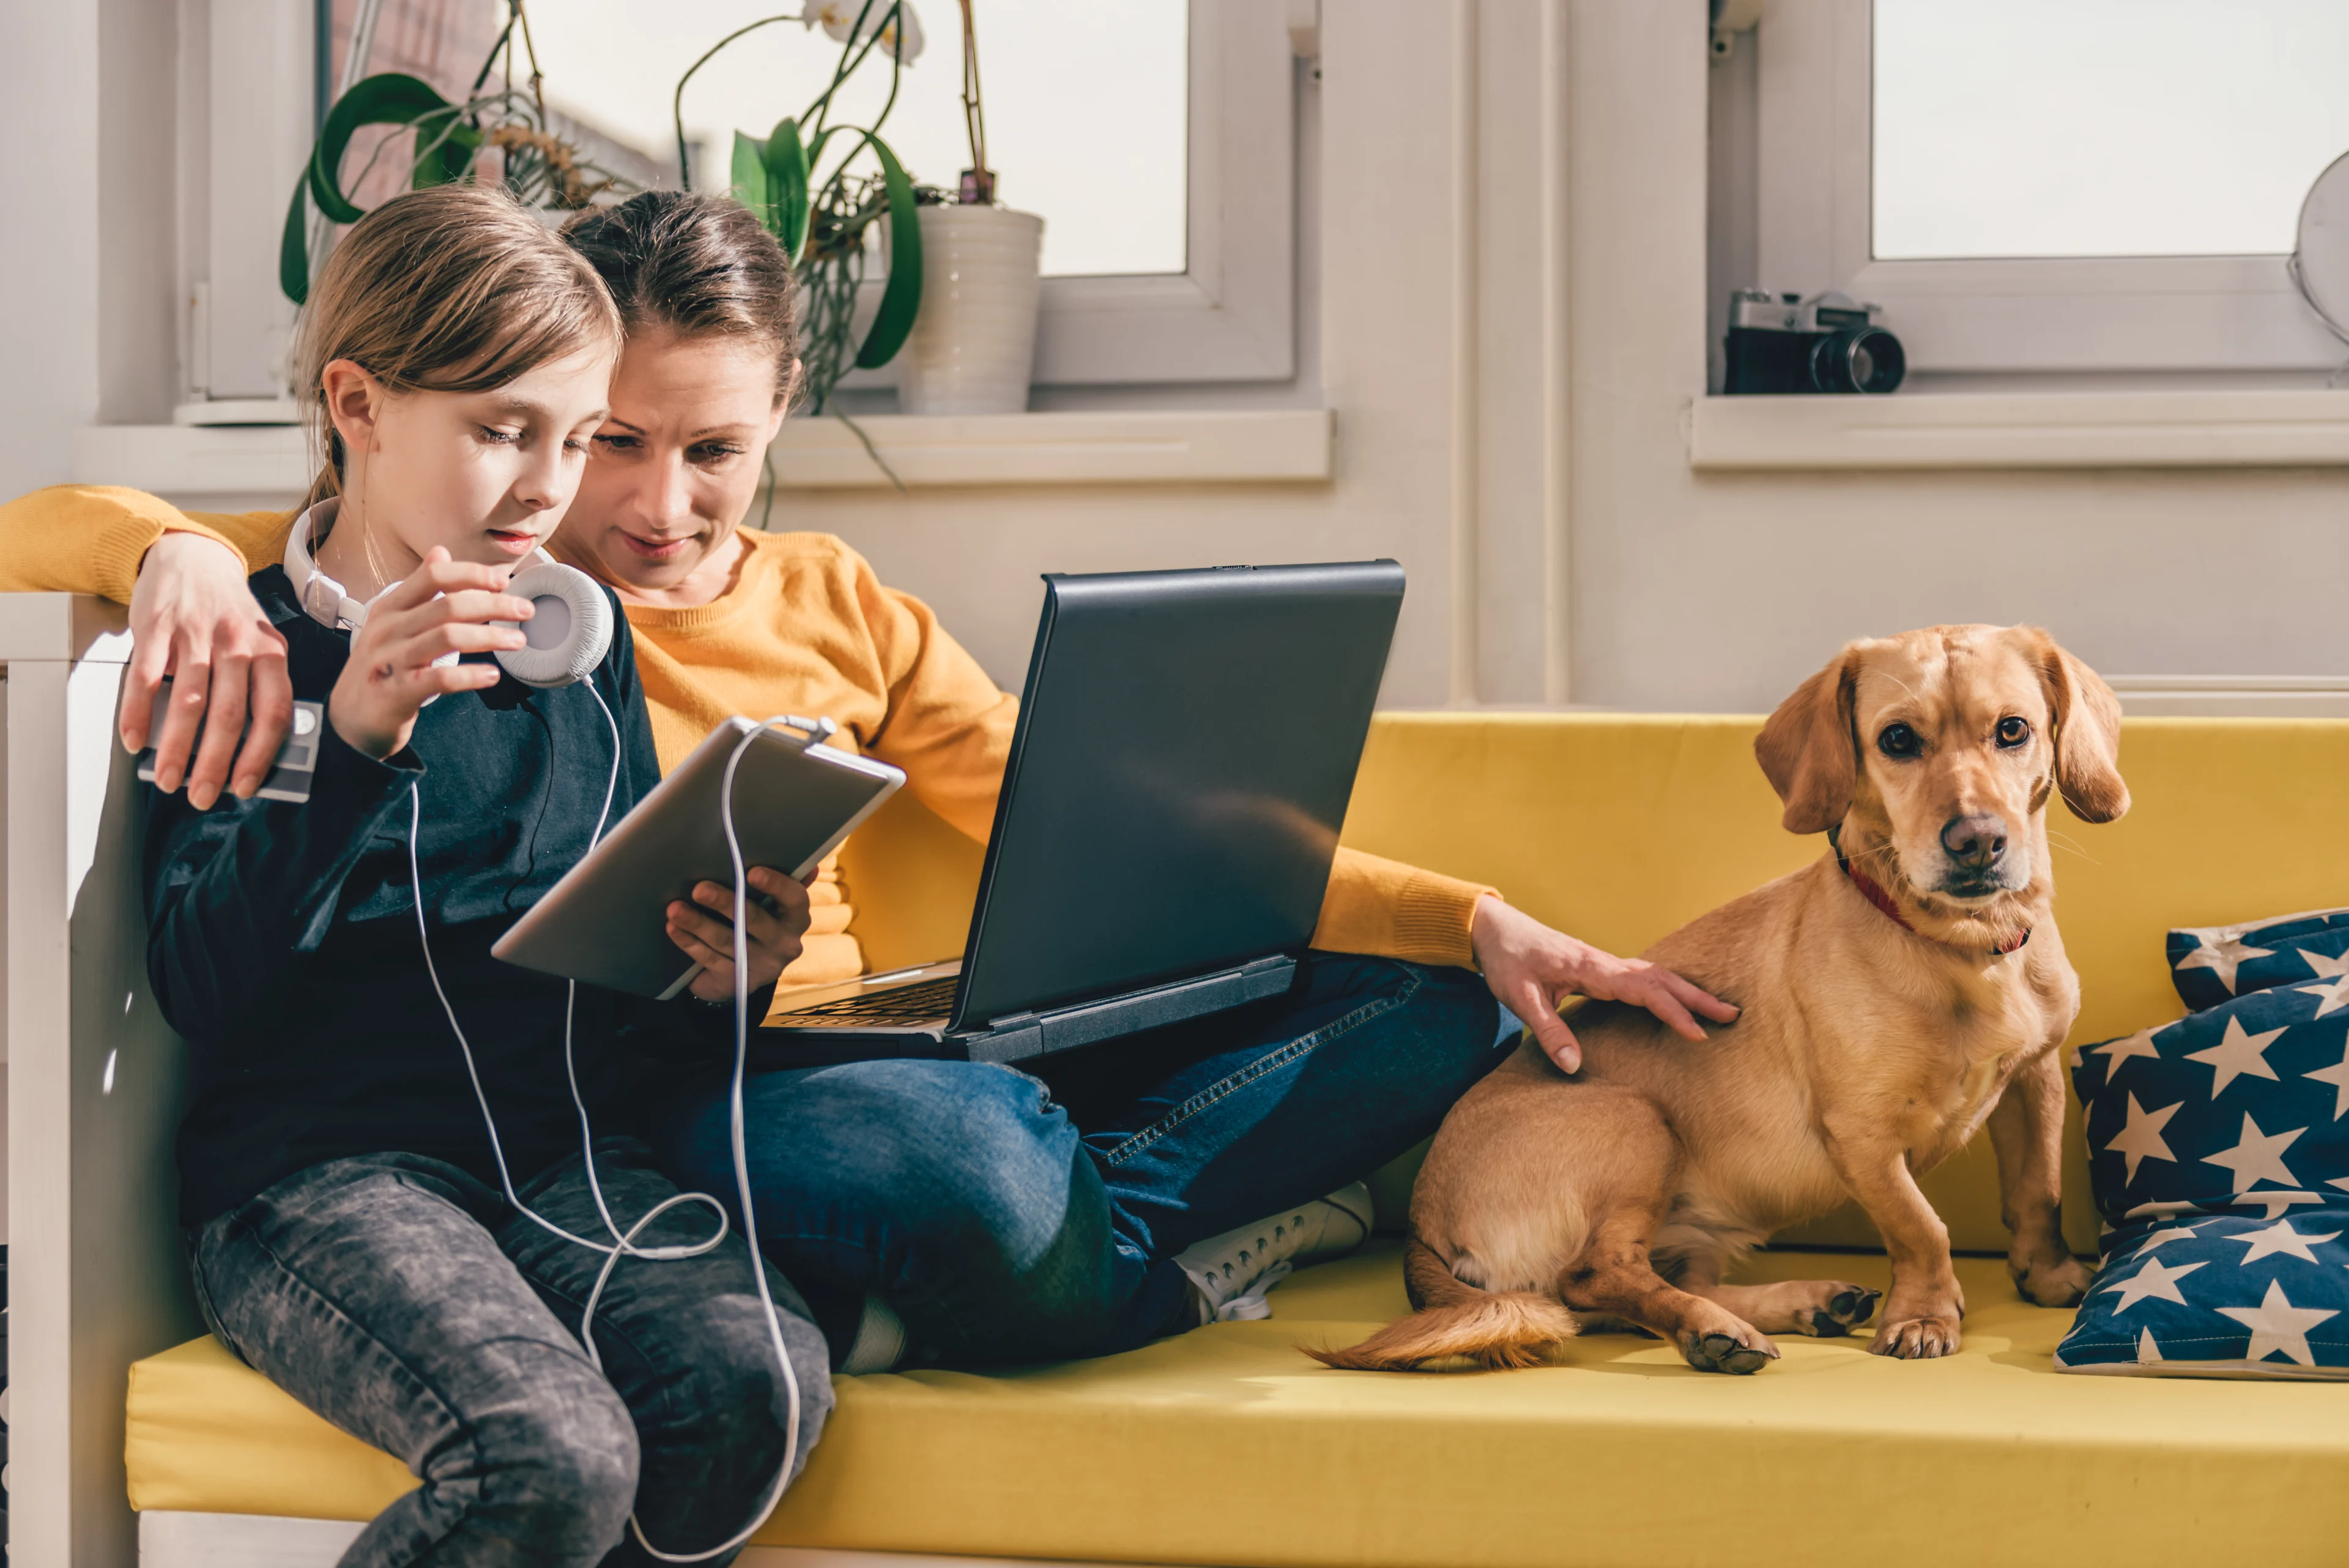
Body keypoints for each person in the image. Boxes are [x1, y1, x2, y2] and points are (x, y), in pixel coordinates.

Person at [2, 190, 1736, 1372]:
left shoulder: (836, 601)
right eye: (612, 438)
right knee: (960, 1169)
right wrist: (177, 560)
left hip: (889, 1018)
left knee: (1433, 1014)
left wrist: (1482, 918)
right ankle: (1100, 1242)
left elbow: (1155, 832)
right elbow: (42, 528)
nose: (659, 507)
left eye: (717, 452)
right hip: (701, 1071)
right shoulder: (474, 578)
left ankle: (1066, 1220)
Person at [140, 184, 829, 1568]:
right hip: (316, 1182)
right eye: (503, 431)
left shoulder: (576, 645)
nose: (547, 488)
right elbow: (197, 982)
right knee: (546, 1455)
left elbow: (622, 987)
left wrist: (722, 970)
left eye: (574, 439)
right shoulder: (257, 658)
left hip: (560, 1159)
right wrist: (349, 742)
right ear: (359, 403)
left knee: (756, 1388)